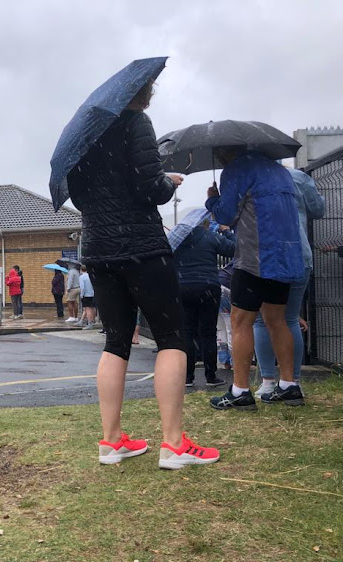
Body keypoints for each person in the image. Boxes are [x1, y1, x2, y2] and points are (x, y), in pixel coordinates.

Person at [66, 79, 219, 469]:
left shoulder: (81, 137)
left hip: (97, 250)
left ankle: (112, 441)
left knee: (116, 340)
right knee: (171, 337)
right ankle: (173, 445)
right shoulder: (136, 122)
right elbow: (149, 188)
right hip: (142, 247)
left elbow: (80, 196)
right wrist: (168, 182)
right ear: (140, 93)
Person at [206, 148, 305, 410]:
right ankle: (289, 385)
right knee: (277, 321)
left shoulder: (236, 170)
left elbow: (226, 216)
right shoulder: (280, 172)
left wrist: (212, 200)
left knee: (240, 322)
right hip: (285, 256)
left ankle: (239, 390)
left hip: (254, 258)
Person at [253, 168, 325, 398]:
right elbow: (318, 210)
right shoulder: (298, 177)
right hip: (298, 254)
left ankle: (268, 381)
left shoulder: (251, 177)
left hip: (265, 257)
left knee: (262, 321)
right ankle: (292, 382)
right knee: (291, 319)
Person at [173, 220, 236, 388]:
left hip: (183, 287)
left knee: (187, 332)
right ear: (206, 224)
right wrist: (227, 231)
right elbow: (234, 249)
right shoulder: (210, 236)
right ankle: (211, 376)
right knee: (208, 332)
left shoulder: (177, 240)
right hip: (208, 287)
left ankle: (187, 377)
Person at [77, 265, 96, 329]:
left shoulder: (81, 277)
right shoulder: (90, 275)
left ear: (81, 270)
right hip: (92, 294)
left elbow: (82, 287)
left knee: (88, 309)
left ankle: (90, 323)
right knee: (92, 308)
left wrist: (81, 295)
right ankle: (93, 321)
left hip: (86, 295)